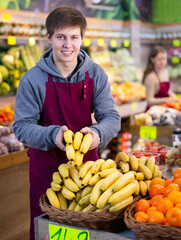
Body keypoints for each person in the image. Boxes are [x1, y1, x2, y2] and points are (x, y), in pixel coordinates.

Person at [12, 6, 121, 240]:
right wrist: (53, 135)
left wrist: (97, 133)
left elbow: (111, 118)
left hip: (87, 170)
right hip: (46, 171)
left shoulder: (96, 74)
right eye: (60, 37)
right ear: (49, 37)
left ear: (82, 38)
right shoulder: (32, 79)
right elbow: (21, 127)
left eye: (74, 37)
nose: (67, 45)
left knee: (87, 232)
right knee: (49, 232)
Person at [142, 45, 177, 110]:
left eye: (164, 58)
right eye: (159, 59)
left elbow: (167, 90)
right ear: (152, 60)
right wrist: (166, 100)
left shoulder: (165, 72)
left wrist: (172, 94)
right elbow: (149, 100)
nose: (162, 62)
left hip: (164, 108)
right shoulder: (151, 77)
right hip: (153, 110)